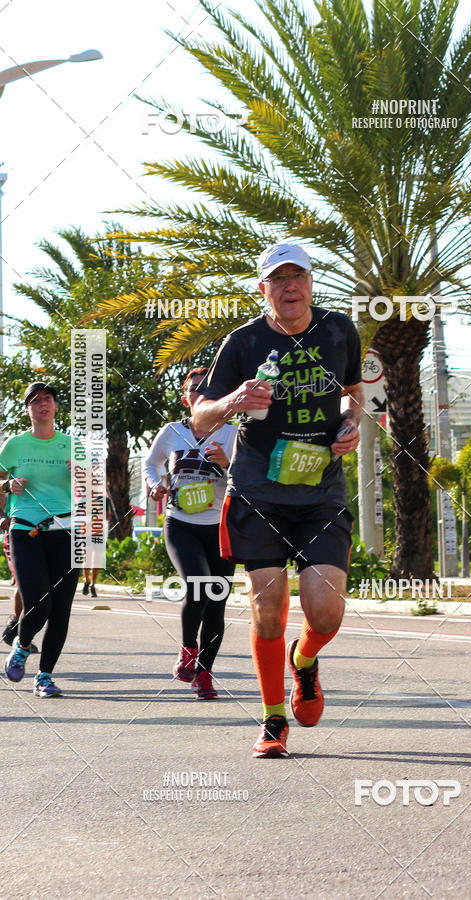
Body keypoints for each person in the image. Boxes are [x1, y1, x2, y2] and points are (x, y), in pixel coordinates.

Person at [192, 242, 362, 757]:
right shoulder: (243, 342)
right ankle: (272, 720)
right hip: (258, 490)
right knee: (267, 607)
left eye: (298, 276)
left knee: (325, 612)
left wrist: (351, 423)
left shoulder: (338, 331)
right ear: (263, 289)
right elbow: (200, 416)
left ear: (311, 283)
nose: (290, 286)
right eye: (279, 279)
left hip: (320, 490)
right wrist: (233, 400)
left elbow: (353, 391)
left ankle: (303, 661)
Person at [144, 367, 237, 699]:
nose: (202, 393)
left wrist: (228, 463)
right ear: (186, 399)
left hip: (221, 527)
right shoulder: (172, 431)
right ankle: (187, 649)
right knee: (198, 585)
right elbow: (151, 464)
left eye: (209, 388)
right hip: (181, 524)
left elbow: (250, 476)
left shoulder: (232, 434)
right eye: (195, 389)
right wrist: (155, 485)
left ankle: (205, 674)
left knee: (216, 602)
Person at [0, 382, 80, 697]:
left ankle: (44, 677)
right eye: (35, 401)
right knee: (39, 602)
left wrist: (83, 475)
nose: (42, 404)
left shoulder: (73, 444)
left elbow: (94, 490)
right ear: (27, 410)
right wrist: (7, 485)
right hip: (25, 530)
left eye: (47, 399)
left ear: (56, 406)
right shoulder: (15, 444)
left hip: (66, 531)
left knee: (61, 610)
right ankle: (21, 645)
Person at [0, 491, 37, 652]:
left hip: (40, 535)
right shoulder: (11, 485)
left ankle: (17, 629)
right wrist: (2, 518)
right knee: (24, 583)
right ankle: (16, 630)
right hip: (16, 536)